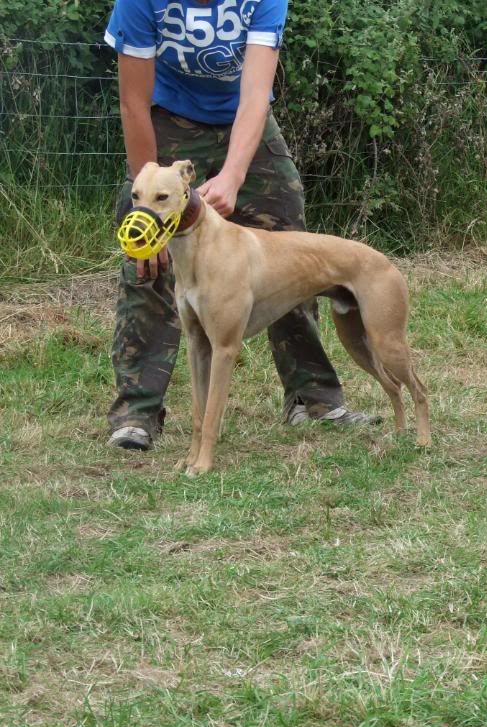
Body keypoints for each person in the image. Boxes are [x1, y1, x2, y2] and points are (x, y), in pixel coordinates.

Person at [103, 0, 378, 451]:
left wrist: (233, 175)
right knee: (146, 261)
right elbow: (133, 102)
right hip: (166, 120)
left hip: (244, 122)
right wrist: (146, 214)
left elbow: (254, 96)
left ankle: (312, 400)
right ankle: (138, 411)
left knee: (294, 251)